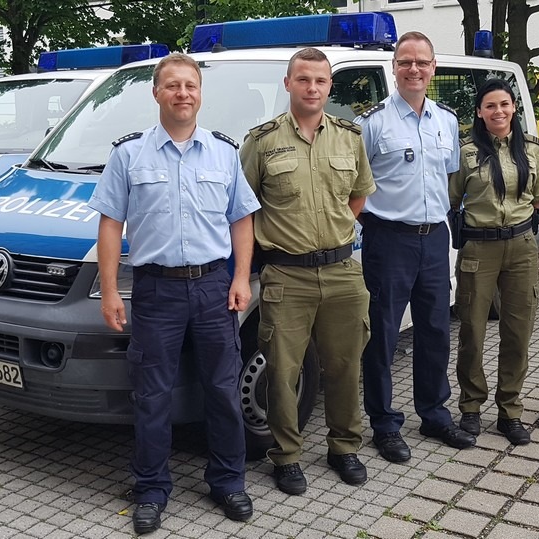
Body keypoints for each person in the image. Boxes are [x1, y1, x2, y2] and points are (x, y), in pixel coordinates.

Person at [88, 53, 261, 534]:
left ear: (200, 93)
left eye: (191, 85)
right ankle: (150, 489)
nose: (183, 93)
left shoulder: (224, 153)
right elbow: (110, 224)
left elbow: (242, 219)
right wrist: (109, 292)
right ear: (156, 93)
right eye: (173, 86)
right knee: (151, 395)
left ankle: (228, 481)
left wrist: (241, 277)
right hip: (155, 291)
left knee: (223, 391)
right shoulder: (129, 155)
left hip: (212, 288)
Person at [239, 47, 375, 495]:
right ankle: (287, 456)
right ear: (288, 84)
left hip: (341, 271)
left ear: (329, 86)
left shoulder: (349, 137)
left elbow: (358, 197)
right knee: (282, 372)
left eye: (319, 80)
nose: (311, 88)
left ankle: (343, 448)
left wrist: (334, 230)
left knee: (344, 365)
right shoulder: (261, 141)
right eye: (303, 79)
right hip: (286, 275)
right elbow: (243, 208)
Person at [355, 31, 476, 463]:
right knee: (383, 334)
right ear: (394, 67)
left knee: (435, 330)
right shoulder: (373, 123)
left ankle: (433, 412)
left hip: (434, 238)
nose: (413, 69)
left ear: (433, 68)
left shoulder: (445, 120)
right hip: (389, 240)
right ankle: (384, 424)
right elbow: (356, 185)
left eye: (421, 62)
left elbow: (448, 175)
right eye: (405, 62)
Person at [448, 78, 539, 445]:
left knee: (518, 331)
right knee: (472, 331)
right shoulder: (465, 152)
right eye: (490, 105)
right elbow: (452, 196)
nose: (499, 111)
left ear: (513, 108)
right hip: (479, 248)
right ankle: (471, 407)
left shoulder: (533, 150)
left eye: (505, 104)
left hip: (522, 247)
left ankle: (510, 411)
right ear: (479, 111)